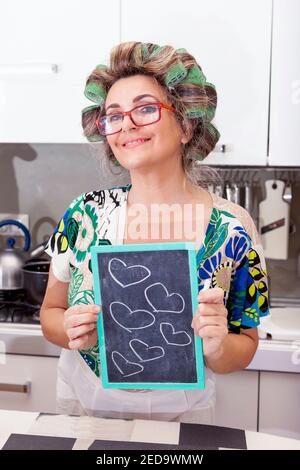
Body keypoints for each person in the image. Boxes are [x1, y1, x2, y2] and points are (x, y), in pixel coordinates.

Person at [40, 42, 270, 423]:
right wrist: (70, 329)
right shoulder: (84, 214)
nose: (126, 124)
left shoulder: (232, 228)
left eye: (145, 109)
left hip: (183, 416)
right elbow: (50, 312)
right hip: (85, 409)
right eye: (113, 115)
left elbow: (243, 346)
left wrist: (216, 345)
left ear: (186, 124)